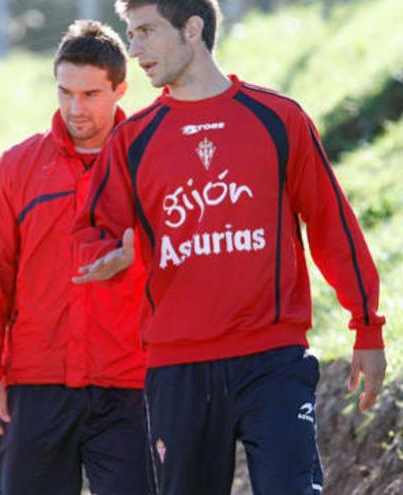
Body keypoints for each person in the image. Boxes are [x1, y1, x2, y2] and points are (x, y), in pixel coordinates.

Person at [73, 1, 387, 494]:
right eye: (130, 34)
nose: (134, 50)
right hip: (177, 368)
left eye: (147, 32)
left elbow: (334, 227)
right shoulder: (131, 140)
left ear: (192, 29)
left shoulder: (278, 118)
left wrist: (367, 325)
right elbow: (92, 233)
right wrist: (106, 257)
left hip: (273, 358)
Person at [0, 20, 149, 495]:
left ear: (119, 89)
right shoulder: (16, 168)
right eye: (65, 92)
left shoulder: (150, 160)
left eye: (90, 95)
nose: (74, 108)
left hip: (131, 382)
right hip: (36, 382)